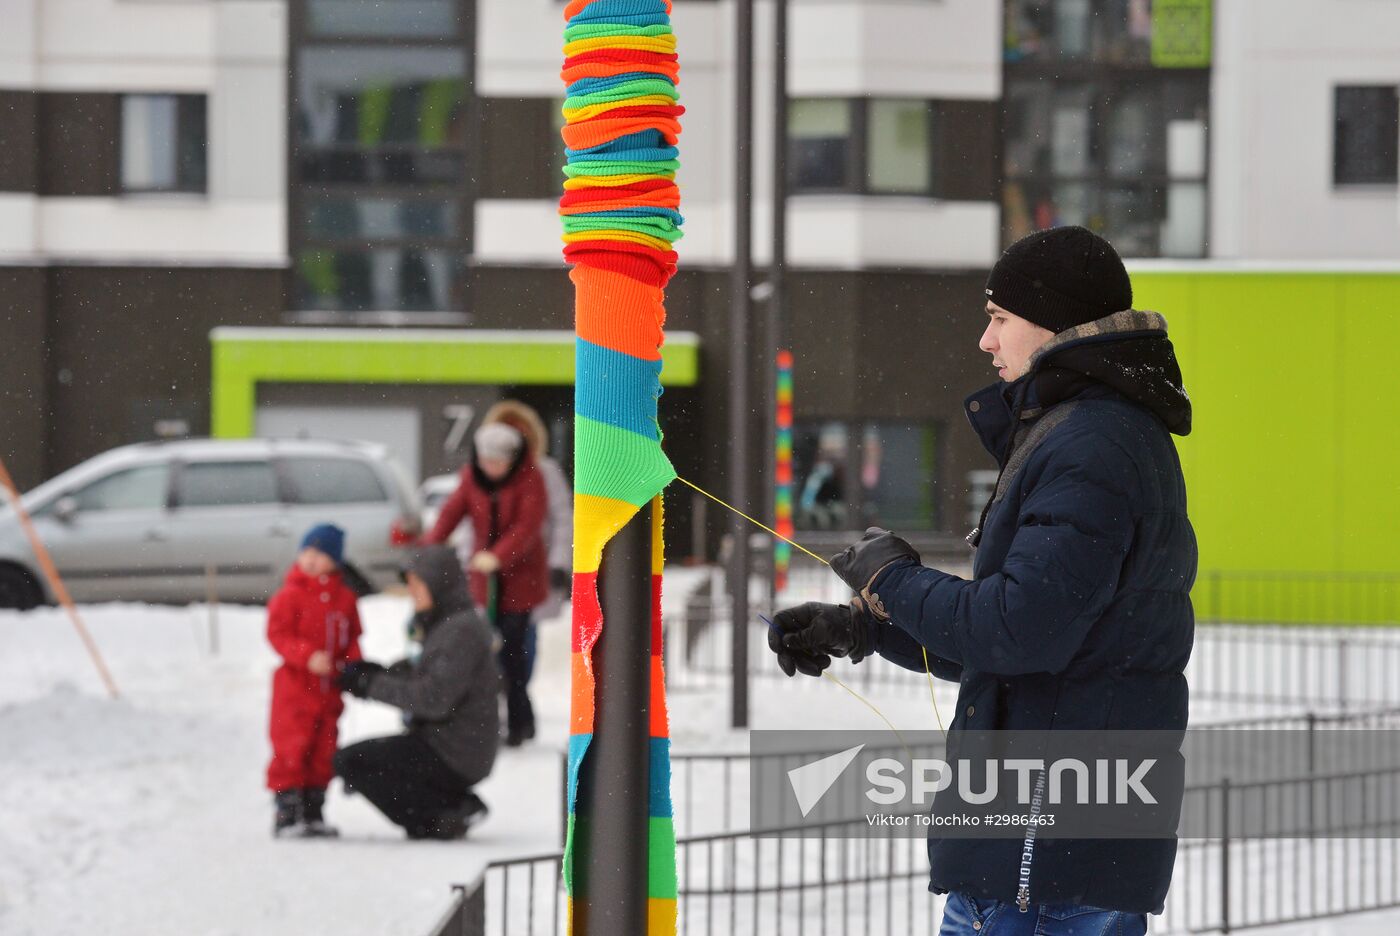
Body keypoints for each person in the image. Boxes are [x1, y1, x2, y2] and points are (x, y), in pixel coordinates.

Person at [768, 226, 1195, 934]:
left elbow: (1016, 630)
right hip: (1051, 854)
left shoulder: (1092, 443)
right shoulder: (1090, 431)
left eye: (999, 319)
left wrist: (894, 578)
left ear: (1055, 325)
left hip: (1043, 857)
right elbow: (1025, 641)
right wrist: (863, 628)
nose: (985, 341)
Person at [335, 546, 500, 839]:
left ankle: (440, 815)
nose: (412, 592)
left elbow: (433, 699)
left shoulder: (460, 630)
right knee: (367, 758)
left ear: (439, 584)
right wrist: (378, 674)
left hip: (456, 751)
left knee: (352, 762)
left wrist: (370, 685)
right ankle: (449, 804)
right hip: (446, 743)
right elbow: (424, 671)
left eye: (417, 584)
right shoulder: (447, 622)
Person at [424, 422, 548, 746]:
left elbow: (528, 526)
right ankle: (487, 720)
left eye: (497, 462)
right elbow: (450, 513)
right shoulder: (471, 478)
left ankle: (521, 720)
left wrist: (499, 555)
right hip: (484, 581)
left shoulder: (530, 479)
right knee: (484, 654)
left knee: (513, 655)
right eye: (485, 461)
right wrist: (429, 549)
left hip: (520, 581)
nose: (490, 468)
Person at [265, 523, 362, 839]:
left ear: (334, 560)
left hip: (329, 692)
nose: (311, 559)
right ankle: (287, 811)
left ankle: (314, 809)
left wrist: (352, 666)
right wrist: (305, 656)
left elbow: (353, 638)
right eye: (307, 552)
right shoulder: (289, 596)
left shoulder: (345, 599)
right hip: (294, 690)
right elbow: (277, 634)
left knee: (324, 750)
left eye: (320, 554)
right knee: (292, 747)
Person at [481, 400, 573, 620]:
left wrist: (558, 563)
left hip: (533, 569)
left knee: (522, 637)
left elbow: (563, 519)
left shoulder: (545, 472)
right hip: (494, 572)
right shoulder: (485, 474)